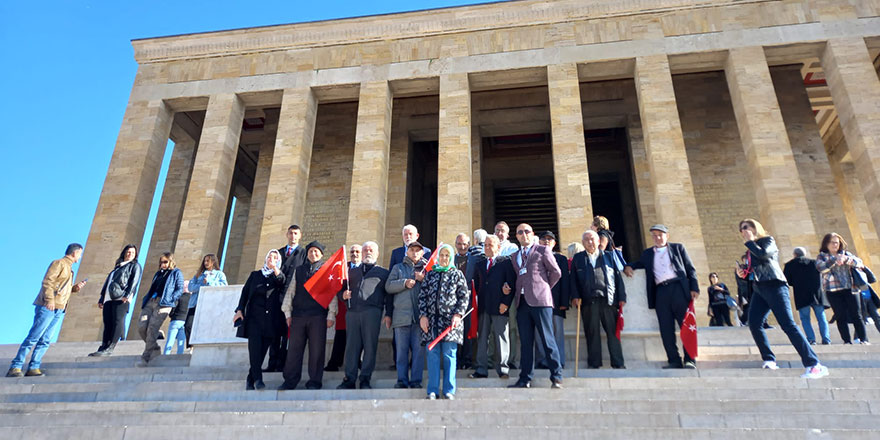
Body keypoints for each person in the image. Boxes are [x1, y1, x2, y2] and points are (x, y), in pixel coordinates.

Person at [734, 219, 829, 378]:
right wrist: (743, 273)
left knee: (788, 325)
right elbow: (757, 269)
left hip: (775, 285)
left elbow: (764, 255)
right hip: (759, 289)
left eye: (746, 227)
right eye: (741, 229)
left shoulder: (767, 241)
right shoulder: (751, 250)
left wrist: (750, 242)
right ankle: (769, 359)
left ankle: (814, 364)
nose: (743, 231)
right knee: (755, 323)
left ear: (755, 227)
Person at [624, 224, 699, 369]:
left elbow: (690, 269)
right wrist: (629, 266)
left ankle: (690, 359)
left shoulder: (678, 248)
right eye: (654, 235)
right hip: (661, 292)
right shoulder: (648, 254)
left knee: (686, 325)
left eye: (660, 235)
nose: (657, 238)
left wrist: (694, 287)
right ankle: (674, 360)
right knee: (666, 328)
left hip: (679, 289)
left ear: (667, 236)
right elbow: (638, 263)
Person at [7, 244, 87, 378]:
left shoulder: (69, 269)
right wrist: (49, 300)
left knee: (45, 340)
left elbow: (61, 288)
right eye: (80, 254)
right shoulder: (59, 263)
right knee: (34, 337)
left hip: (59, 308)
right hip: (49, 306)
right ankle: (16, 366)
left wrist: (74, 288)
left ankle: (33, 367)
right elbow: (48, 282)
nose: (80, 257)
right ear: (75, 253)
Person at [508, 223, 564, 389]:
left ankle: (556, 376)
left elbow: (556, 272)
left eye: (527, 231)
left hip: (540, 301)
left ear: (532, 234)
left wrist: (544, 287)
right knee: (526, 342)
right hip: (523, 302)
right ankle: (525, 378)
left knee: (547, 339)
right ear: (516, 236)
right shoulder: (514, 256)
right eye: (520, 232)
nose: (523, 234)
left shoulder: (542, 250)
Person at [280, 241, 337, 390]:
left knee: (317, 350)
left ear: (321, 254)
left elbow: (331, 294)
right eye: (311, 251)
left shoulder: (326, 271)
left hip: (318, 316)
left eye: (316, 251)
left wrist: (331, 314)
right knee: (293, 350)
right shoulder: (299, 270)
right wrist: (287, 313)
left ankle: (314, 381)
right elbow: (291, 291)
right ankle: (290, 380)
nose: (313, 254)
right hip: (298, 316)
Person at [570, 230, 627, 369]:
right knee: (592, 333)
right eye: (587, 240)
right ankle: (594, 363)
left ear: (598, 241)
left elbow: (618, 278)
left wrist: (622, 297)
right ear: (583, 243)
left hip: (608, 300)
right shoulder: (578, 258)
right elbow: (573, 281)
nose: (590, 242)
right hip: (588, 301)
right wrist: (575, 296)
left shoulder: (609, 256)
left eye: (592, 239)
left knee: (613, 333)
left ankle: (618, 363)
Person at [419, 244, 469, 400]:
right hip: (431, 323)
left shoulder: (457, 274)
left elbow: (463, 297)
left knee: (449, 355)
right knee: (432, 355)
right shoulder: (431, 274)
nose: (444, 258)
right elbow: (422, 296)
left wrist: (458, 315)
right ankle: (432, 390)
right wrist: (423, 316)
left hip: (450, 323)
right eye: (442, 255)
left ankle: (449, 390)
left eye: (447, 255)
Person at [337, 241, 389, 390]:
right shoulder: (351, 272)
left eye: (371, 250)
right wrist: (343, 295)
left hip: (372, 312)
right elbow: (339, 290)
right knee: (351, 347)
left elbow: (389, 296)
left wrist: (389, 314)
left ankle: (365, 378)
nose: (368, 252)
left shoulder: (383, 273)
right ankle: (349, 379)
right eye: (365, 250)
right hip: (352, 312)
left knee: (369, 346)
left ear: (377, 253)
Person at [234, 250, 286, 390]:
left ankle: (250, 379)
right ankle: (258, 379)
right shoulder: (255, 275)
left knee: (262, 351)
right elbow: (245, 294)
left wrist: (275, 268)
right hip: (254, 319)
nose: (271, 259)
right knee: (254, 349)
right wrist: (239, 310)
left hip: (271, 321)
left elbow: (281, 280)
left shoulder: (278, 276)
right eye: (269, 256)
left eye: (275, 257)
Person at [470, 235, 516, 379]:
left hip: (500, 306)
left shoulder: (506, 262)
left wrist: (506, 303)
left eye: (491, 245)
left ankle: (503, 369)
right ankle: (481, 369)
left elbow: (511, 284)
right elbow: (476, 285)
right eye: (486, 245)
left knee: (501, 337)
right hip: (483, 306)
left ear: (498, 247)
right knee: (482, 338)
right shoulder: (480, 263)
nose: (488, 248)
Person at [385, 241, 428, 388]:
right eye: (412, 250)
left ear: (422, 253)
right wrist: (404, 283)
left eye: (418, 250)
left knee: (418, 353)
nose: (415, 253)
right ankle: (401, 380)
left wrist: (424, 280)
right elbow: (388, 286)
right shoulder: (398, 268)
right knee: (401, 353)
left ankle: (416, 381)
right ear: (407, 252)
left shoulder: (427, 269)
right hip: (401, 318)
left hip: (420, 318)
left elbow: (434, 288)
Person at [265, 225, 306, 373]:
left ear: (300, 235)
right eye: (290, 233)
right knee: (275, 332)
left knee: (287, 335)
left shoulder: (304, 253)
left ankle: (283, 363)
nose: (293, 236)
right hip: (277, 297)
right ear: (286, 234)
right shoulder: (279, 252)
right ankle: (272, 363)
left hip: (293, 298)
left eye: (296, 233)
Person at [89, 244, 142, 357]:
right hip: (109, 298)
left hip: (122, 297)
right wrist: (102, 297)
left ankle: (111, 346)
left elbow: (134, 282)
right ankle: (103, 346)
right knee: (108, 322)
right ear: (124, 253)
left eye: (132, 252)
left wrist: (127, 295)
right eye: (128, 252)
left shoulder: (135, 266)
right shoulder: (117, 267)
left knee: (117, 321)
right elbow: (108, 283)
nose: (130, 254)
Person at [816, 232, 869, 345]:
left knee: (857, 315)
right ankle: (847, 340)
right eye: (832, 242)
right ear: (826, 244)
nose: (834, 245)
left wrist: (845, 259)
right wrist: (834, 260)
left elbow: (859, 263)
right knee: (840, 316)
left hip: (851, 288)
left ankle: (863, 339)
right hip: (833, 290)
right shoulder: (822, 256)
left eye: (836, 242)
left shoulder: (847, 254)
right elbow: (821, 268)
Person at [137, 252, 184, 367]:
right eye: (161, 262)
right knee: (142, 326)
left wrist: (171, 299)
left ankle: (146, 357)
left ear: (171, 261)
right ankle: (155, 347)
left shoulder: (176, 273)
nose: (162, 264)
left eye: (165, 262)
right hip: (151, 302)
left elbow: (180, 288)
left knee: (152, 328)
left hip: (164, 304)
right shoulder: (158, 274)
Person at [534, 231, 569, 369]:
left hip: (556, 302)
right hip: (538, 302)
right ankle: (542, 360)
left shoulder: (561, 259)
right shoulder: (534, 257)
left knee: (557, 333)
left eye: (550, 239)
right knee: (539, 333)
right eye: (544, 239)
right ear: (539, 242)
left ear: (554, 243)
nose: (547, 241)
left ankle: (559, 360)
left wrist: (564, 302)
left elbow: (565, 281)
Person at [783, 247, 831, 345]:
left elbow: (787, 280)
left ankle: (811, 339)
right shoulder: (814, 263)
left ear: (794, 255)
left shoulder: (789, 265)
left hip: (801, 294)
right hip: (817, 294)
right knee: (821, 317)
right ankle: (826, 339)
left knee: (805, 318)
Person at [326, 244, 361, 372]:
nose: (355, 254)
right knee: (341, 336)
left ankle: (357, 361)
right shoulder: (343, 268)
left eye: (357, 252)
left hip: (359, 308)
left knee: (358, 337)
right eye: (352, 252)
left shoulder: (364, 268)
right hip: (343, 307)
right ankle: (335, 361)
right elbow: (335, 287)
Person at [184, 254, 227, 349]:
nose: (206, 263)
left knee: (205, 326)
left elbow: (224, 286)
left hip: (209, 303)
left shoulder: (219, 274)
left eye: (208, 261)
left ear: (213, 262)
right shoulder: (199, 274)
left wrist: (209, 282)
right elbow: (190, 287)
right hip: (195, 303)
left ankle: (201, 345)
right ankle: (191, 345)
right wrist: (202, 286)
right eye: (205, 261)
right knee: (188, 325)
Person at [454, 233, 474, 370]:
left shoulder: (475, 260)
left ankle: (467, 359)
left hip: (470, 301)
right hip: (452, 301)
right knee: (454, 330)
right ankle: (455, 360)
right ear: (455, 244)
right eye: (460, 244)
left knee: (468, 330)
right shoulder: (450, 259)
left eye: (465, 244)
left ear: (469, 245)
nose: (462, 247)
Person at [164, 289, 191, 355]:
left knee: (170, 341)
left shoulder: (179, 297)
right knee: (181, 343)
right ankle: (179, 356)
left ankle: (166, 355)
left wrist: (171, 315)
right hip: (184, 321)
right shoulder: (191, 299)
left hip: (175, 320)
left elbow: (173, 308)